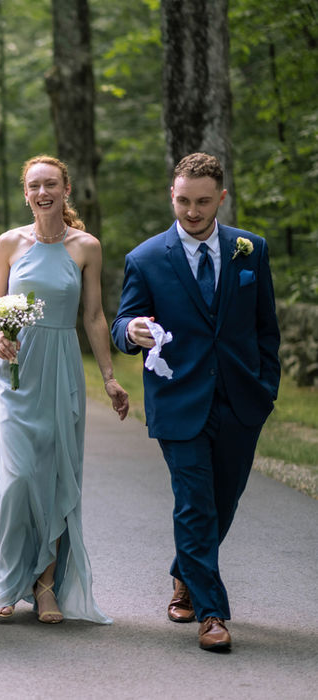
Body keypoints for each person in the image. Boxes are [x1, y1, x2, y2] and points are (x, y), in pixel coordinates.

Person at [112, 152, 279, 652]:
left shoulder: (251, 251)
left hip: (241, 399)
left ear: (221, 198)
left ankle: (184, 572)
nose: (192, 210)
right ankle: (212, 614)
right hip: (178, 400)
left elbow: (266, 329)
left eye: (203, 201)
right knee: (194, 504)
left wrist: (266, 387)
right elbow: (124, 322)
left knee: (223, 501)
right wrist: (133, 331)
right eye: (183, 200)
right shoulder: (145, 258)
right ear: (172, 195)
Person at [0, 155, 129, 625]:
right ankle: (6, 578)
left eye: (51, 184)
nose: (42, 193)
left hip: (62, 368)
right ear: (24, 193)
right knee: (18, 479)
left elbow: (93, 316)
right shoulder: (9, 243)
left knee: (55, 477)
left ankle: (46, 587)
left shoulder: (86, 247)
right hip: (17, 372)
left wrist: (108, 377)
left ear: (66, 190)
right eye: (34, 186)